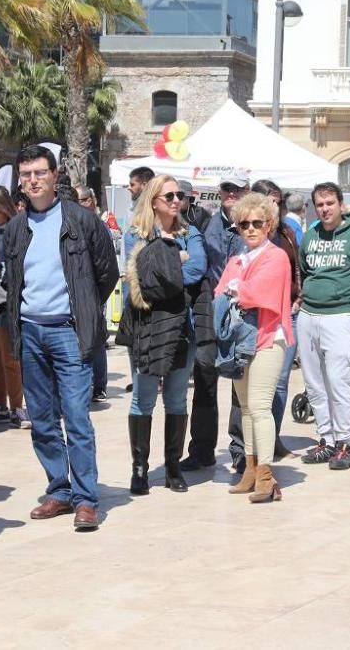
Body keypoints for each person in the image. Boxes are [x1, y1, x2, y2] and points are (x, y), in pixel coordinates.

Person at [3, 145, 118, 529]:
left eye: (39, 173)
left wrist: (83, 308)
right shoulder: (17, 227)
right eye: (26, 175)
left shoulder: (81, 221)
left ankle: (86, 499)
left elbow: (107, 273)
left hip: (69, 331)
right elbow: (13, 280)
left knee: (76, 416)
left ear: (54, 176)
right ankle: (59, 490)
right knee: (42, 418)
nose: (33, 180)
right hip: (30, 331)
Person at [122, 175, 207, 495]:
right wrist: (176, 260)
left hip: (182, 325)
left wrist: (165, 263)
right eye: (169, 195)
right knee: (142, 398)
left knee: (176, 397)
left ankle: (173, 467)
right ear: (154, 199)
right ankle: (139, 469)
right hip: (147, 325)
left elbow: (196, 270)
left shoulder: (191, 234)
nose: (176, 200)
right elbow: (141, 279)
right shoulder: (135, 235)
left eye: (179, 195)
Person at [298, 182, 350, 470]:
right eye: (319, 204)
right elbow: (305, 270)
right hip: (309, 315)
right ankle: (326, 438)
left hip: (341, 316)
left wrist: (349, 298)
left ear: (340, 205)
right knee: (314, 382)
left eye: (329, 203)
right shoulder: (310, 237)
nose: (324, 209)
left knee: (339, 381)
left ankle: (345, 442)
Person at [215, 192, 294, 501]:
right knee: (245, 408)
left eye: (256, 223)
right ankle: (249, 467)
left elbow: (259, 292)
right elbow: (221, 291)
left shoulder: (276, 256)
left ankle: (265, 474)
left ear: (269, 224)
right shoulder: (236, 259)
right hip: (240, 342)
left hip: (269, 338)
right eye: (243, 223)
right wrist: (234, 291)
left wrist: (237, 290)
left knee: (260, 407)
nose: (249, 228)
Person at [183, 173, 250, 472]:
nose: (232, 193)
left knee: (241, 382)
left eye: (238, 188)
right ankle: (201, 449)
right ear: (220, 192)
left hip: (246, 312)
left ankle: (240, 449)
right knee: (205, 380)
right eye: (227, 188)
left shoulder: (255, 224)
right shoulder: (207, 224)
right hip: (211, 311)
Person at [251, 181, 301, 455]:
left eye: (278, 201)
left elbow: (298, 269)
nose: (274, 206)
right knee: (257, 385)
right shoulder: (249, 233)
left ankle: (273, 438)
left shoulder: (287, 233)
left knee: (280, 381)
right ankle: (251, 445)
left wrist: (298, 298)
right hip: (257, 317)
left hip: (287, 316)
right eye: (269, 200)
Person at [0, 187, 29, 427]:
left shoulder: (14, 232)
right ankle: (1, 403)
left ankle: (17, 406)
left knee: (10, 358)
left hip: (8, 302)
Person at [77, 185, 114, 403]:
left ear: (91, 201)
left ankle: (99, 385)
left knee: (96, 338)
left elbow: (106, 265)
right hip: (80, 291)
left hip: (94, 291)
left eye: (82, 200)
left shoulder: (99, 226)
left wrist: (98, 295)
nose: (79, 204)